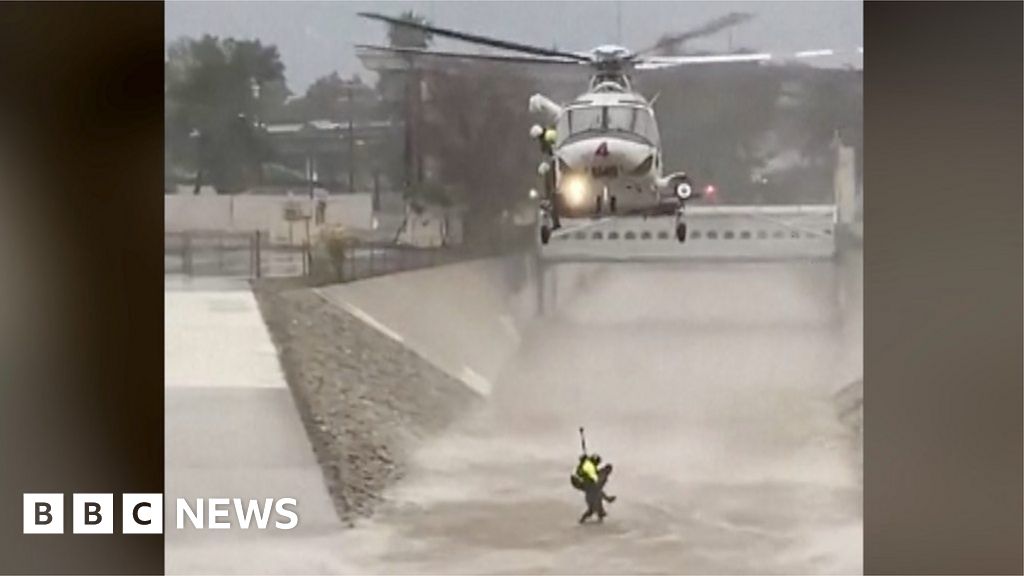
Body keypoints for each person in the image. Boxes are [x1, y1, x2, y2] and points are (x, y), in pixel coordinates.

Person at [571, 452, 616, 523]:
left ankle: (584, 521)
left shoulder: (598, 473)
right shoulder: (599, 474)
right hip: (591, 493)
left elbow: (597, 489)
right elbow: (596, 488)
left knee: (593, 510)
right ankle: (591, 522)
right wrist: (607, 498)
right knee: (594, 511)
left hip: (591, 492)